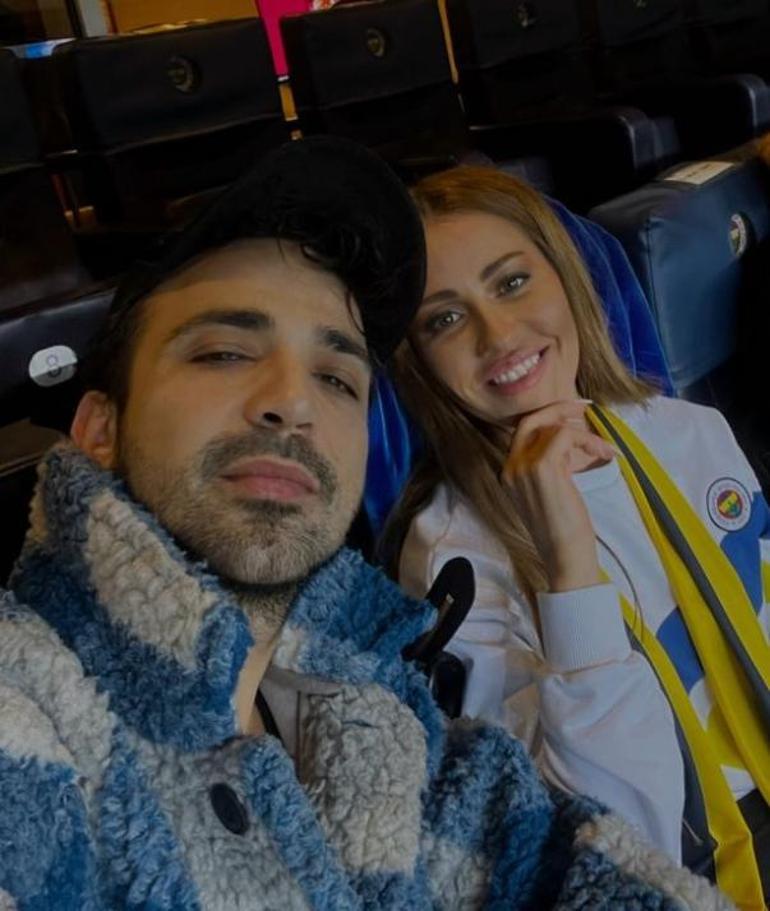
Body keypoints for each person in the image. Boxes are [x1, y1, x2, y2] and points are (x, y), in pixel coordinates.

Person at [0, 137, 723, 910]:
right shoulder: (29, 720)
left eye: (337, 377)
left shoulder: (383, 721)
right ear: (98, 429)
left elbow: (602, 869)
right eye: (225, 352)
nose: (294, 402)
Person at [388, 164, 770, 910]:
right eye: (444, 319)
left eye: (512, 283)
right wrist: (568, 568)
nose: (499, 335)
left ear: (566, 277)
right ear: (418, 362)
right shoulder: (446, 560)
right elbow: (607, 840)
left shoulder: (686, 430)